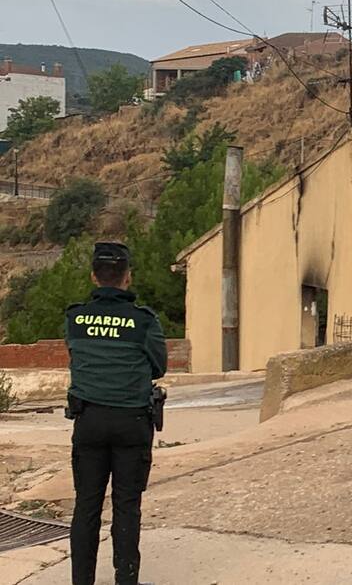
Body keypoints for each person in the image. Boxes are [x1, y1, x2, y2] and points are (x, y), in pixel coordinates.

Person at [66, 242, 166, 585]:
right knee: (127, 505)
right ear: (128, 277)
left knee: (86, 507)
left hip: (88, 422)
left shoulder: (75, 318)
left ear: (94, 276)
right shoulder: (143, 321)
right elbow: (159, 365)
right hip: (131, 423)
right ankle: (126, 579)